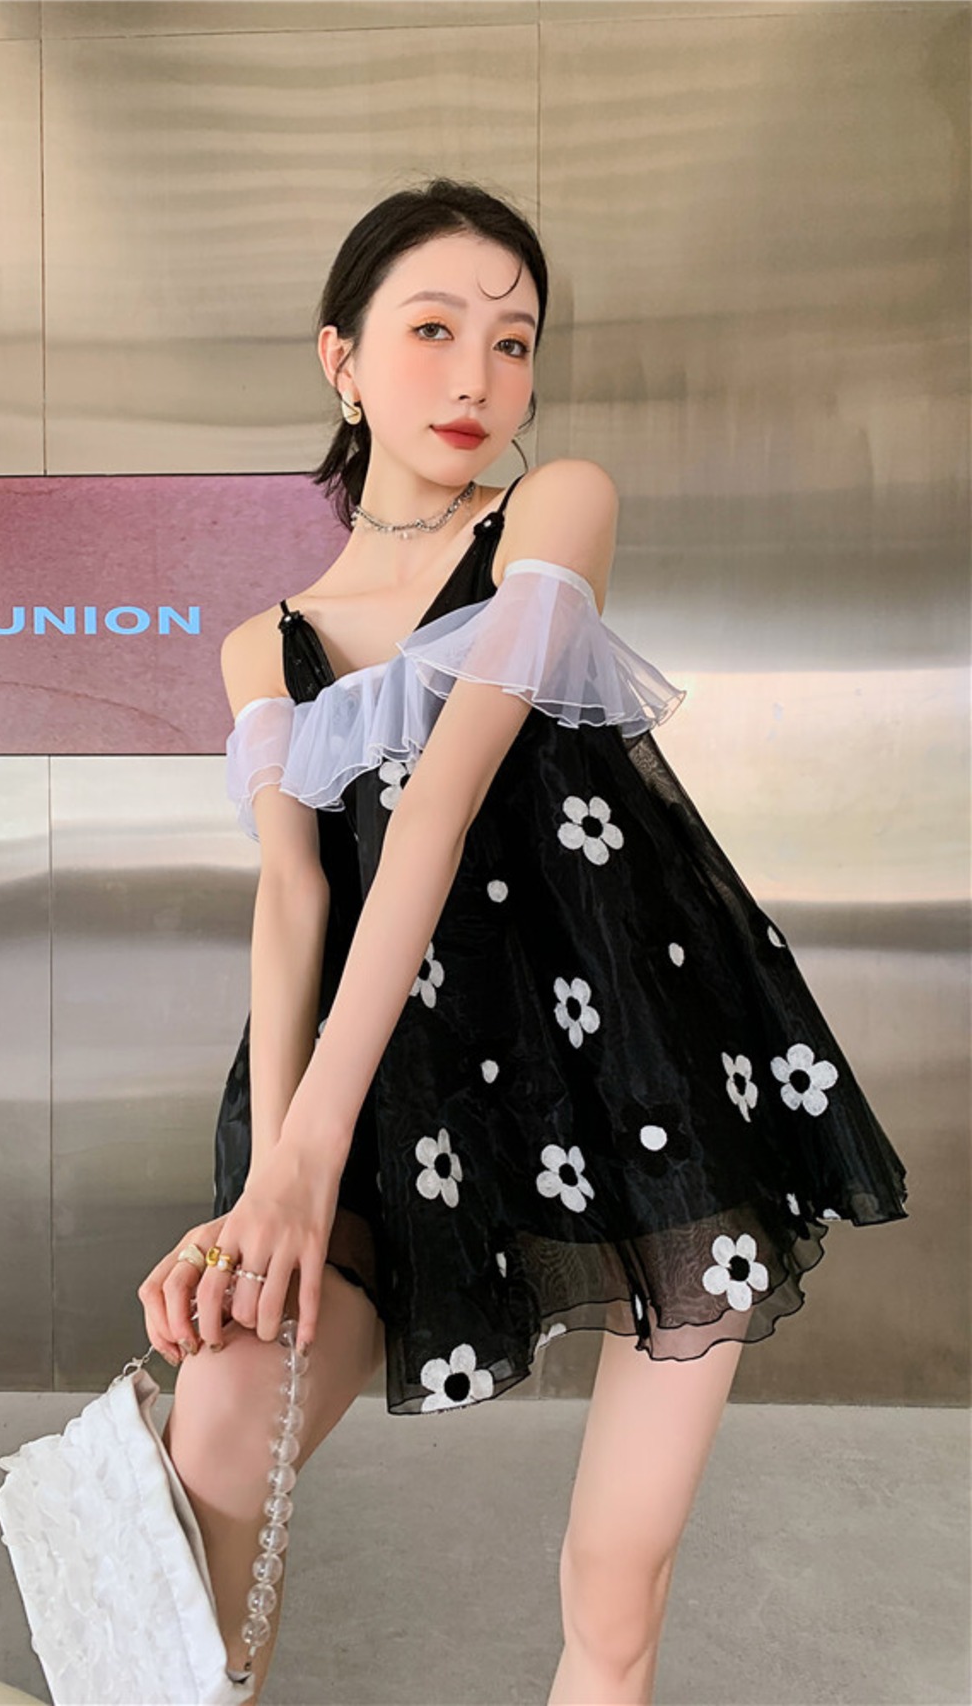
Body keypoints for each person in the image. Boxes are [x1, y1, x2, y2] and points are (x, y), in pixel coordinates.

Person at [137, 178, 909, 1705]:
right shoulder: (261, 651)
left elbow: (440, 805)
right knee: (212, 1442)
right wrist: (269, 1181)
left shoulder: (555, 510)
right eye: (432, 329)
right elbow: (294, 900)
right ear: (341, 358)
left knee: (613, 1581)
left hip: (629, 1064)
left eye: (512, 340)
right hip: (386, 1086)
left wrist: (300, 1154)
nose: (478, 375)